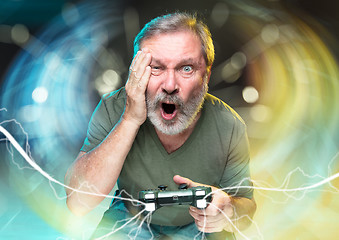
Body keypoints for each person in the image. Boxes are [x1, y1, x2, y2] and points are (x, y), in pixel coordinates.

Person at [65, 12, 256, 239]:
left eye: (186, 68)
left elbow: (247, 208)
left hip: (200, 224)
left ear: (206, 74)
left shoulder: (229, 124)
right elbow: (78, 203)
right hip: (131, 217)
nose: (170, 85)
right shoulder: (114, 108)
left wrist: (230, 210)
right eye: (155, 67)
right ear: (136, 71)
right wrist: (130, 119)